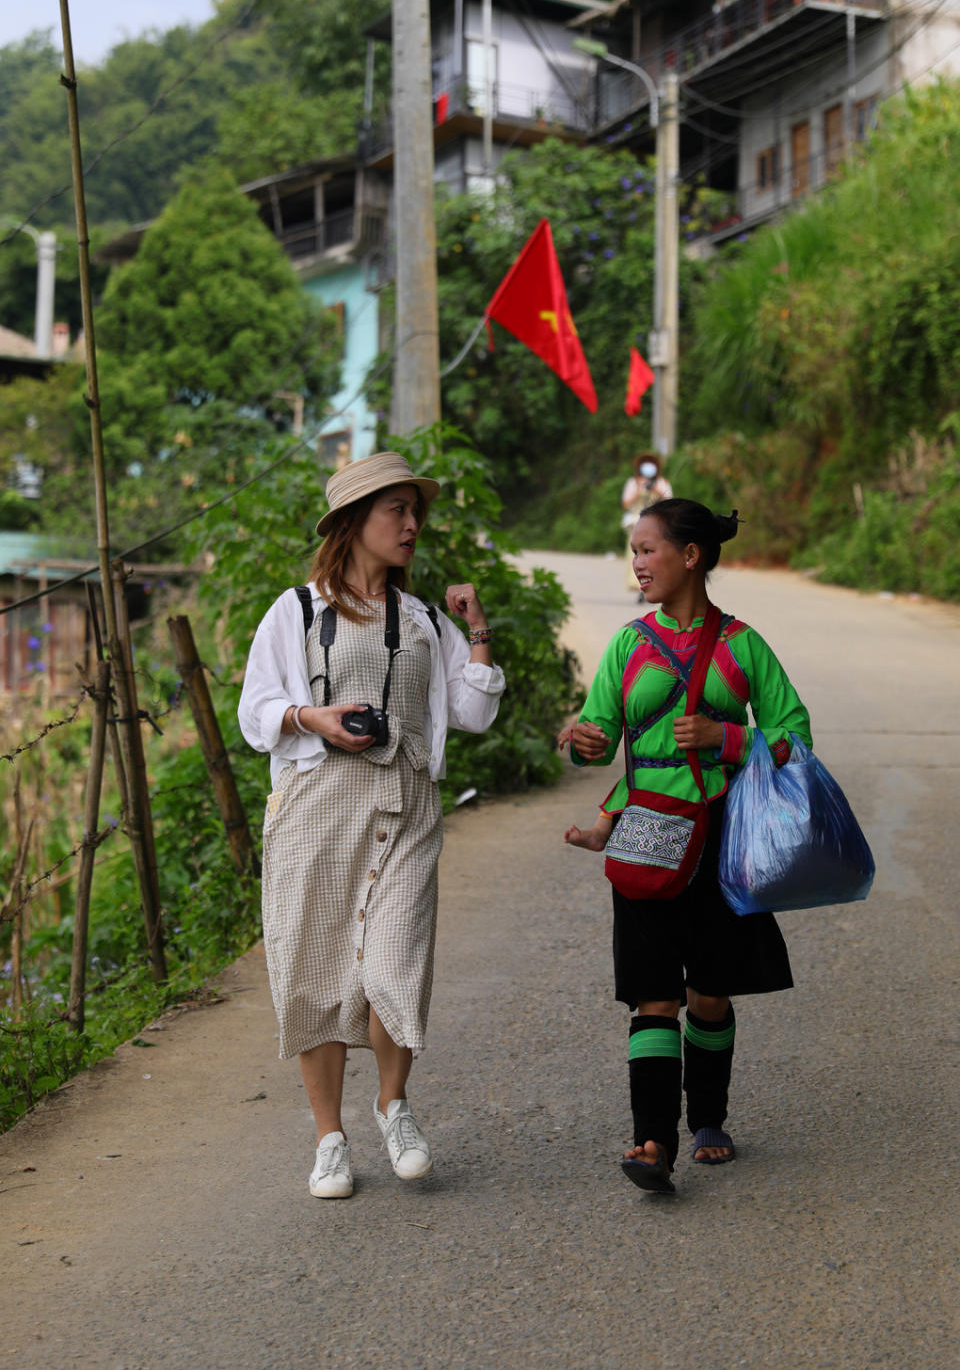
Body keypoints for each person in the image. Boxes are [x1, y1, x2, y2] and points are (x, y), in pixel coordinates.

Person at [238, 451, 505, 1200]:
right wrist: (310, 717)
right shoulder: (295, 611)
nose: (413, 524)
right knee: (315, 972)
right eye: (398, 511)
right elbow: (255, 711)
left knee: (395, 965)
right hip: (317, 815)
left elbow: (475, 710)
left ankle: (394, 1105)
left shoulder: (421, 619)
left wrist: (476, 629)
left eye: (416, 511)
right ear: (355, 523)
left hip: (404, 809)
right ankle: (330, 1138)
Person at [562, 498, 811, 1195]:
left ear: (691, 555)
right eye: (634, 551)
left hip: (725, 836)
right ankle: (652, 1141)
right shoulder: (627, 644)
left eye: (648, 549)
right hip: (645, 833)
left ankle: (709, 1116)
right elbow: (600, 733)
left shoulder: (742, 646)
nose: (637, 564)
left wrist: (726, 739)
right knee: (652, 994)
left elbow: (797, 736)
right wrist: (585, 745)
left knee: (708, 991)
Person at [621, 454, 672, 595]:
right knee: (636, 556)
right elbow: (626, 503)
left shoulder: (662, 483)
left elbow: (670, 503)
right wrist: (638, 489)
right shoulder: (633, 482)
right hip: (637, 525)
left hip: (657, 526)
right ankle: (638, 586)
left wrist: (657, 491)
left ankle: (655, 584)